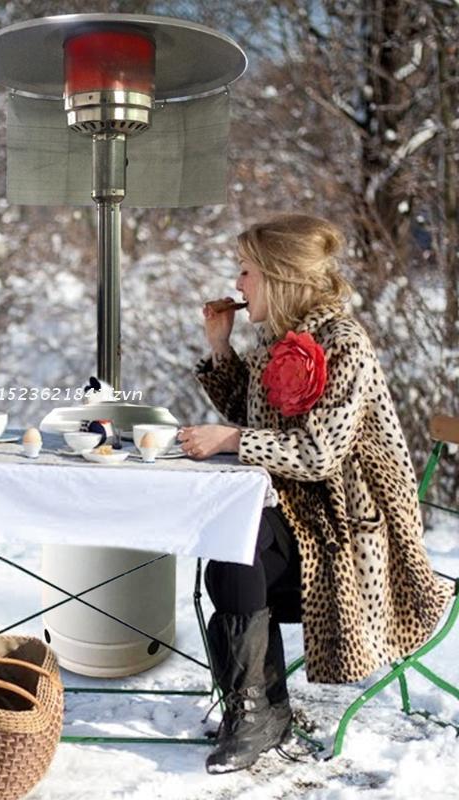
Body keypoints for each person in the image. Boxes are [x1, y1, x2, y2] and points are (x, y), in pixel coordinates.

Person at [180, 213, 453, 774]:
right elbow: (254, 418)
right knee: (231, 546)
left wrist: (231, 439)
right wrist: (220, 346)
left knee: (238, 549)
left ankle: (257, 714)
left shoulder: (343, 344)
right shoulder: (278, 338)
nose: (237, 283)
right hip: (302, 516)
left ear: (279, 276)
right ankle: (257, 713)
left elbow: (316, 452)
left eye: (247, 271)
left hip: (353, 536)